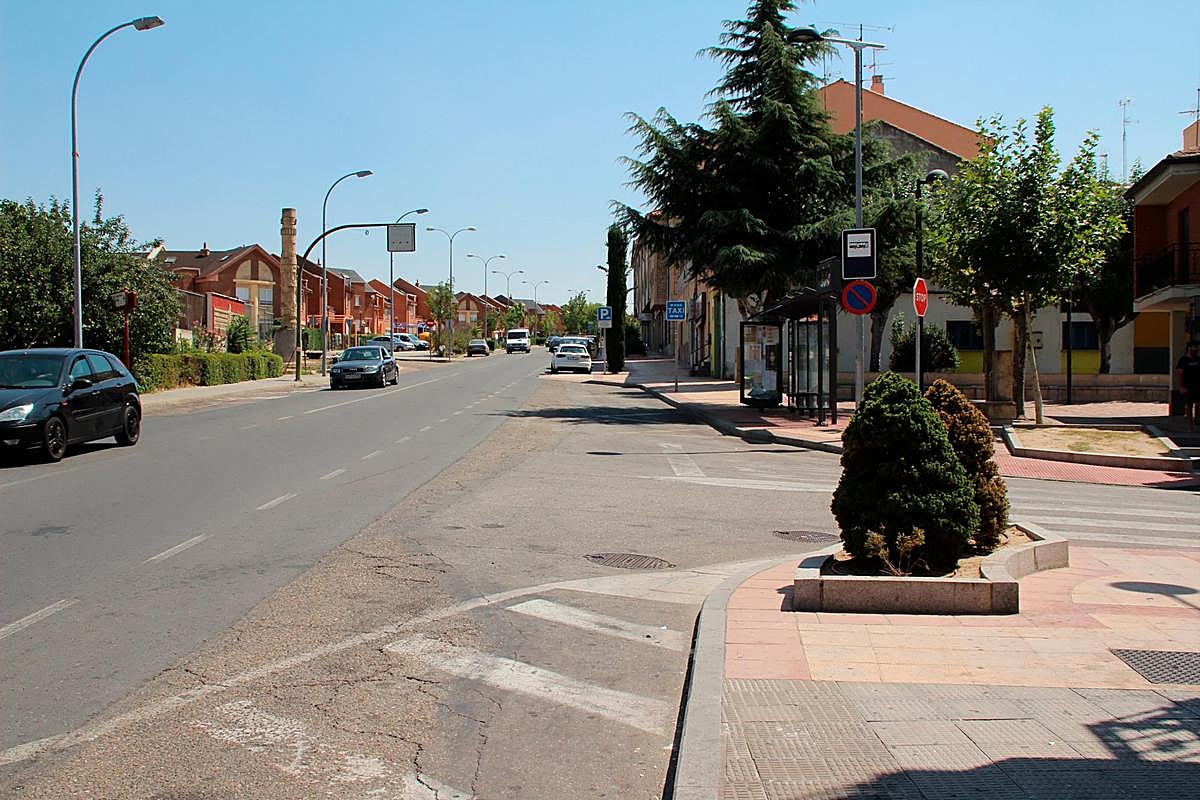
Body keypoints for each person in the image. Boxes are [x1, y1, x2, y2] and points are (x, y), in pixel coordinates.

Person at [1176, 341, 1200, 432]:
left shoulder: (1198, 359)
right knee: (1189, 406)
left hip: (1198, 386)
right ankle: (1191, 426)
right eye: (1194, 347)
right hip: (1188, 386)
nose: (1196, 349)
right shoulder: (1183, 360)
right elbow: (1180, 373)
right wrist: (1181, 386)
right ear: (1189, 348)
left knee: (1197, 404)